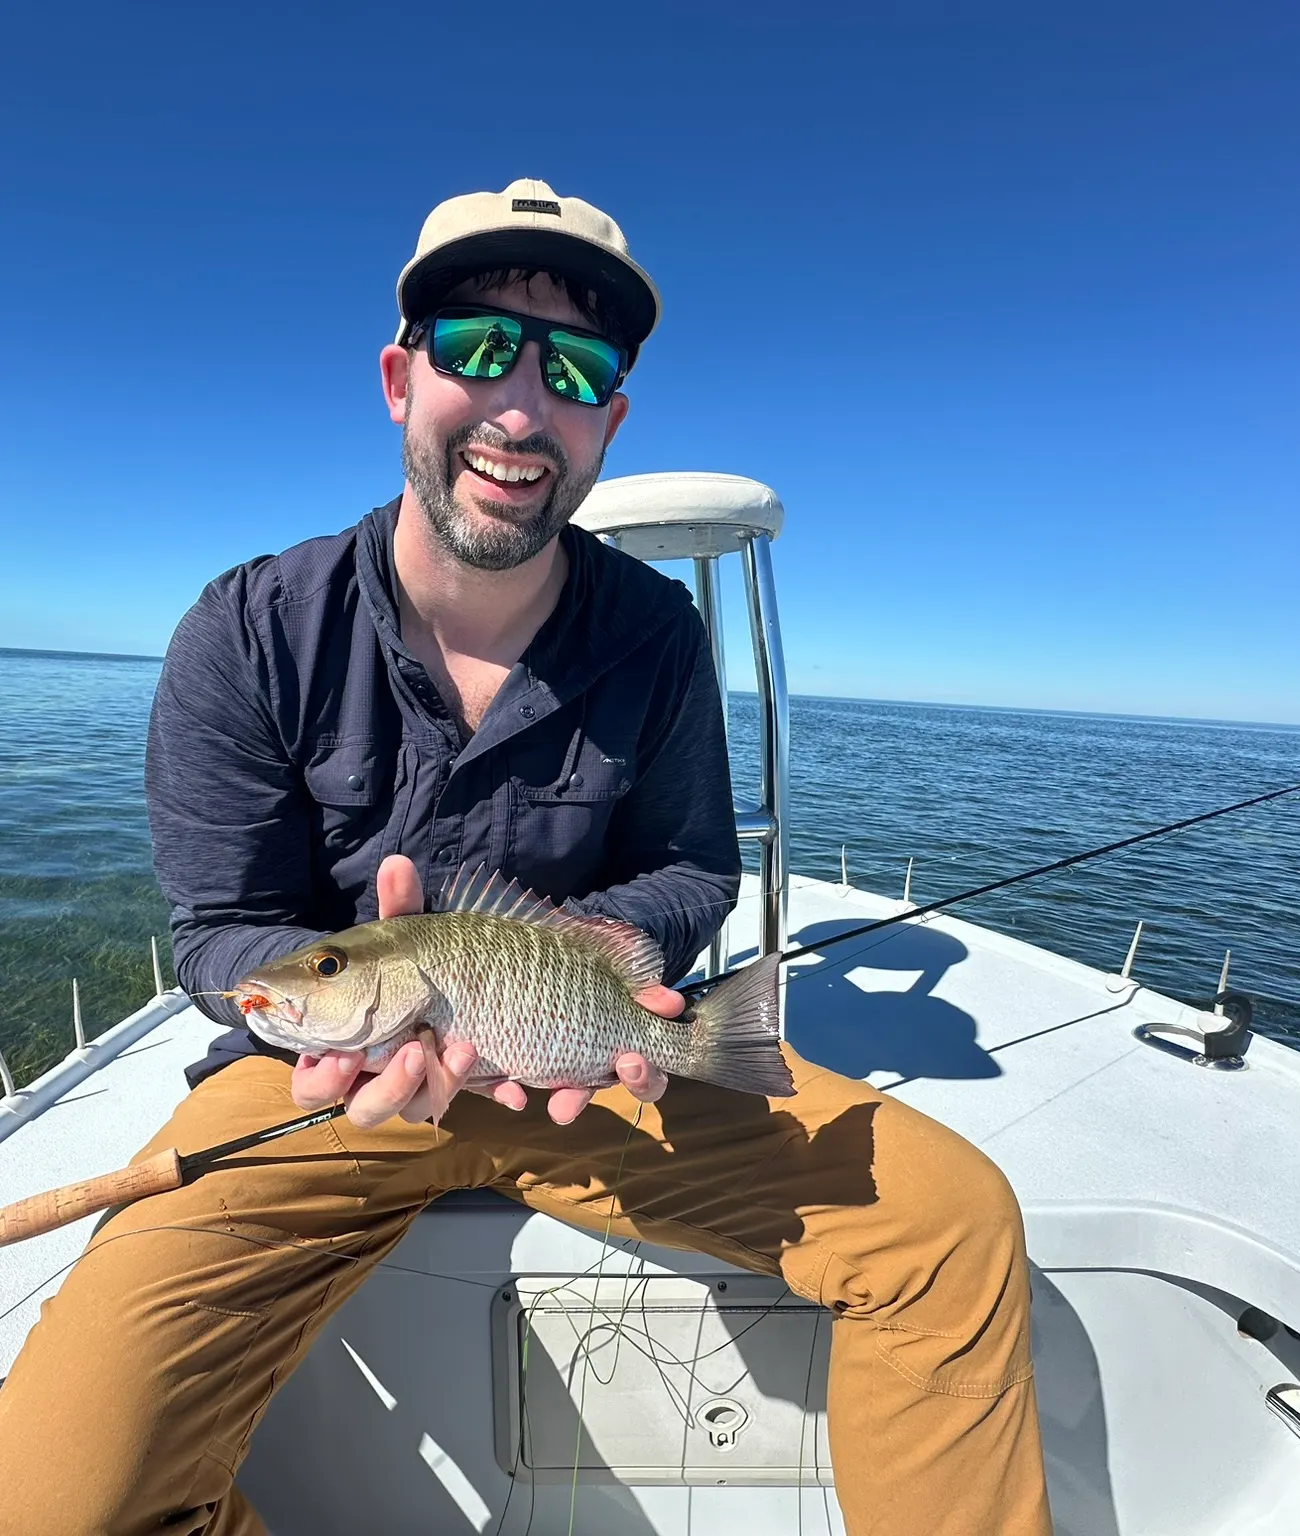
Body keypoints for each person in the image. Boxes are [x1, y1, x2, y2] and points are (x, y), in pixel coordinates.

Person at [0, 179, 1052, 1536]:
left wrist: (613, 955)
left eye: (577, 366)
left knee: (953, 1229)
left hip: (593, 1074)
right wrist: (328, 1014)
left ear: (609, 419)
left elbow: (690, 869)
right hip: (323, 1097)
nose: (519, 403)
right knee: (46, 1501)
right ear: (401, 378)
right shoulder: (248, 632)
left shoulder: (657, 636)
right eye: (479, 347)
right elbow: (219, 932)